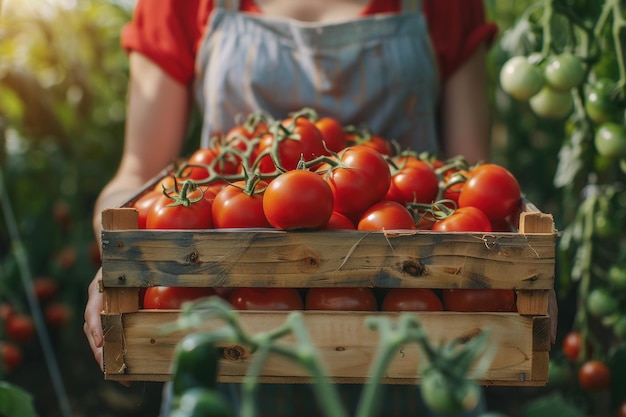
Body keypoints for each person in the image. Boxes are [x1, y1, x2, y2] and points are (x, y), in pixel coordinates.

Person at [84, 0, 499, 415]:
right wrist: (121, 258)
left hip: (418, 338)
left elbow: (477, 183)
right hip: (229, 337)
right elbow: (136, 173)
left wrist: (524, 273)